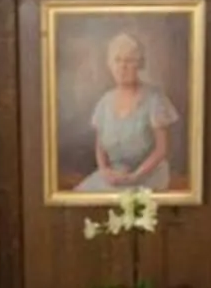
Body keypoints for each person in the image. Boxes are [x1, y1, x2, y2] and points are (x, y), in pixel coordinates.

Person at [76, 31, 180, 193]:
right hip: (114, 175)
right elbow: (100, 146)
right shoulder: (104, 102)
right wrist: (104, 171)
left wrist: (134, 176)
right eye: (117, 60)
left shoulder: (154, 99)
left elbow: (161, 150)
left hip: (147, 175)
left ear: (139, 64)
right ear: (110, 64)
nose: (122, 67)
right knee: (81, 197)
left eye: (129, 60)